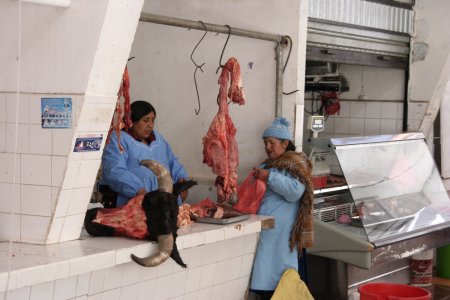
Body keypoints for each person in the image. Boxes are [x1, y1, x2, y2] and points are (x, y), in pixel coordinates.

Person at [249, 117, 314, 300]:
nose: (268, 147)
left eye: (272, 142)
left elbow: (295, 191)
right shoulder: (267, 165)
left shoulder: (295, 163)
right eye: (265, 143)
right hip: (267, 233)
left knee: (282, 284)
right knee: (268, 282)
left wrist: (269, 177)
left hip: (283, 236)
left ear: (285, 143)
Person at [101, 100, 189, 207]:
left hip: (164, 203)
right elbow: (114, 171)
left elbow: (172, 161)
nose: (150, 125)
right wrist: (138, 191)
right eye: (145, 120)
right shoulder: (118, 139)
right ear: (131, 121)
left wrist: (182, 181)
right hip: (133, 204)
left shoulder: (158, 139)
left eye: (152, 120)